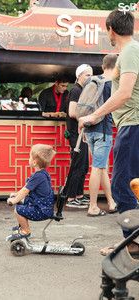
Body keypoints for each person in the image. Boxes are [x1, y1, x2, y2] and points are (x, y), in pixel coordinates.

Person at [79, 10, 139, 256]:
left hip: (133, 124)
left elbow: (124, 93)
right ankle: (134, 241)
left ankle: (132, 243)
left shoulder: (130, 51)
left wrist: (95, 115)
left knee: (121, 184)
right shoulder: (129, 52)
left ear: (110, 30)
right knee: (133, 185)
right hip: (131, 124)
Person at [85, 54, 118, 217]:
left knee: (102, 166)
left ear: (103, 65)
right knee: (97, 168)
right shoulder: (111, 84)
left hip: (89, 129)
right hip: (103, 131)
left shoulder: (93, 80)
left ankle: (111, 202)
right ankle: (92, 206)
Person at [7, 144, 56, 238]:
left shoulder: (38, 176)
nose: (28, 159)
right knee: (21, 203)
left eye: (30, 157)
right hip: (42, 206)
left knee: (18, 210)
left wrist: (14, 200)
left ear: (34, 162)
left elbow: (25, 191)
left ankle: (25, 231)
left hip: (42, 210)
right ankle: (23, 228)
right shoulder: (42, 174)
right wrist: (17, 195)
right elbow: (25, 187)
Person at [63, 64, 93, 208]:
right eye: (87, 75)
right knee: (77, 164)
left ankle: (79, 195)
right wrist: (89, 116)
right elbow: (72, 112)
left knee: (84, 165)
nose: (90, 78)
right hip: (76, 134)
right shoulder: (75, 90)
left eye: (91, 75)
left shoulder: (83, 90)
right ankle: (70, 197)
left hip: (83, 133)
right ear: (79, 76)